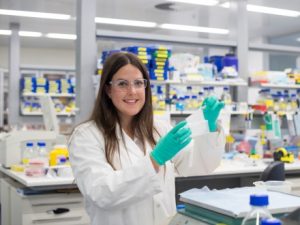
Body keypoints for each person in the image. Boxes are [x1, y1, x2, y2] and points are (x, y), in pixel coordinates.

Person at [68, 52, 225, 225]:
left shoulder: (159, 127)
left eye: (138, 83)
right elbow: (102, 193)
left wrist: (208, 128)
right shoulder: (86, 136)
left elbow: (198, 165)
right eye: (122, 84)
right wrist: (154, 160)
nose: (132, 91)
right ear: (107, 90)